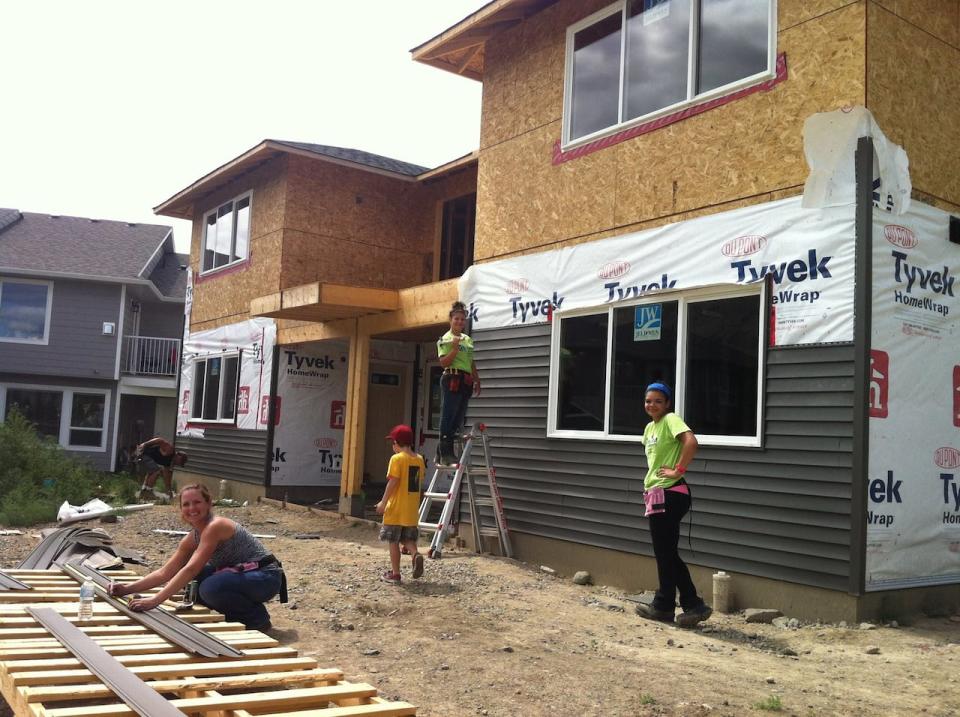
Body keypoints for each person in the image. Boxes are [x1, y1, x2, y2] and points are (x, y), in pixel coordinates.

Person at [109, 483, 286, 631]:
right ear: (180, 509)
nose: (192, 508)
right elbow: (166, 572)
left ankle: (257, 619)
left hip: (266, 577)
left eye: (197, 502)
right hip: (242, 576)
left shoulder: (215, 526)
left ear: (209, 504)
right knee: (196, 581)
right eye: (186, 504)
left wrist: (154, 601)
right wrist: (126, 589)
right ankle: (234, 611)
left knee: (210, 588)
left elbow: (190, 568)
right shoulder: (192, 537)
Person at [633, 382, 712, 628]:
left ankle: (686, 604)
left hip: (671, 493)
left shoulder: (671, 420)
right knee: (666, 552)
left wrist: (678, 469)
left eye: (658, 400)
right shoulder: (649, 428)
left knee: (665, 552)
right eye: (648, 401)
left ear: (667, 403)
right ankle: (670, 605)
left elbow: (691, 442)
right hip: (657, 493)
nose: (652, 405)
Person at [376, 424, 426, 584]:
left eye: (393, 442)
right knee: (407, 538)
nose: (392, 446)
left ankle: (395, 574)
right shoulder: (419, 460)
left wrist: (383, 502)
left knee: (394, 540)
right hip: (411, 509)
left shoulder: (396, 459)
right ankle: (415, 554)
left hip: (396, 508)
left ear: (397, 442)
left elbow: (393, 482)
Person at [436, 301, 481, 465]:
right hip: (452, 378)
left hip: (465, 380)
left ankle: (440, 453)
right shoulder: (445, 340)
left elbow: (470, 361)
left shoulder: (468, 340)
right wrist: (454, 349)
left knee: (458, 417)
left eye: (462, 319)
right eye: (456, 319)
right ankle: (445, 453)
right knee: (448, 415)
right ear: (450, 320)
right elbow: (444, 363)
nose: (459, 322)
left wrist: (476, 379)